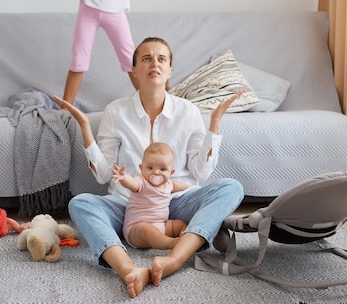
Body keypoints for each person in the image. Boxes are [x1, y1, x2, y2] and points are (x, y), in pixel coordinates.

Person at [53, 37, 244, 298]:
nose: (154, 63)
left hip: (176, 202)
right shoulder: (116, 111)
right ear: (134, 70)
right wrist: (86, 129)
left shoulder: (188, 111)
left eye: (161, 59)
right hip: (129, 206)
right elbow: (103, 175)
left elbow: (201, 173)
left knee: (231, 188)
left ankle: (174, 259)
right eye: (146, 58)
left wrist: (214, 126)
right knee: (80, 204)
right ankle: (128, 268)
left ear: (169, 71)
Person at [112, 142, 190, 250]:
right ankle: (170, 243)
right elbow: (132, 183)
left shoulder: (169, 185)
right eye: (150, 168)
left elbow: (188, 188)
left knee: (180, 224)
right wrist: (124, 178)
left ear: (171, 172)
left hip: (162, 225)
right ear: (141, 168)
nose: (156, 172)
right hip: (136, 229)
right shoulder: (142, 182)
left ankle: (186, 239)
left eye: (163, 169)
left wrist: (198, 189)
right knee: (147, 230)